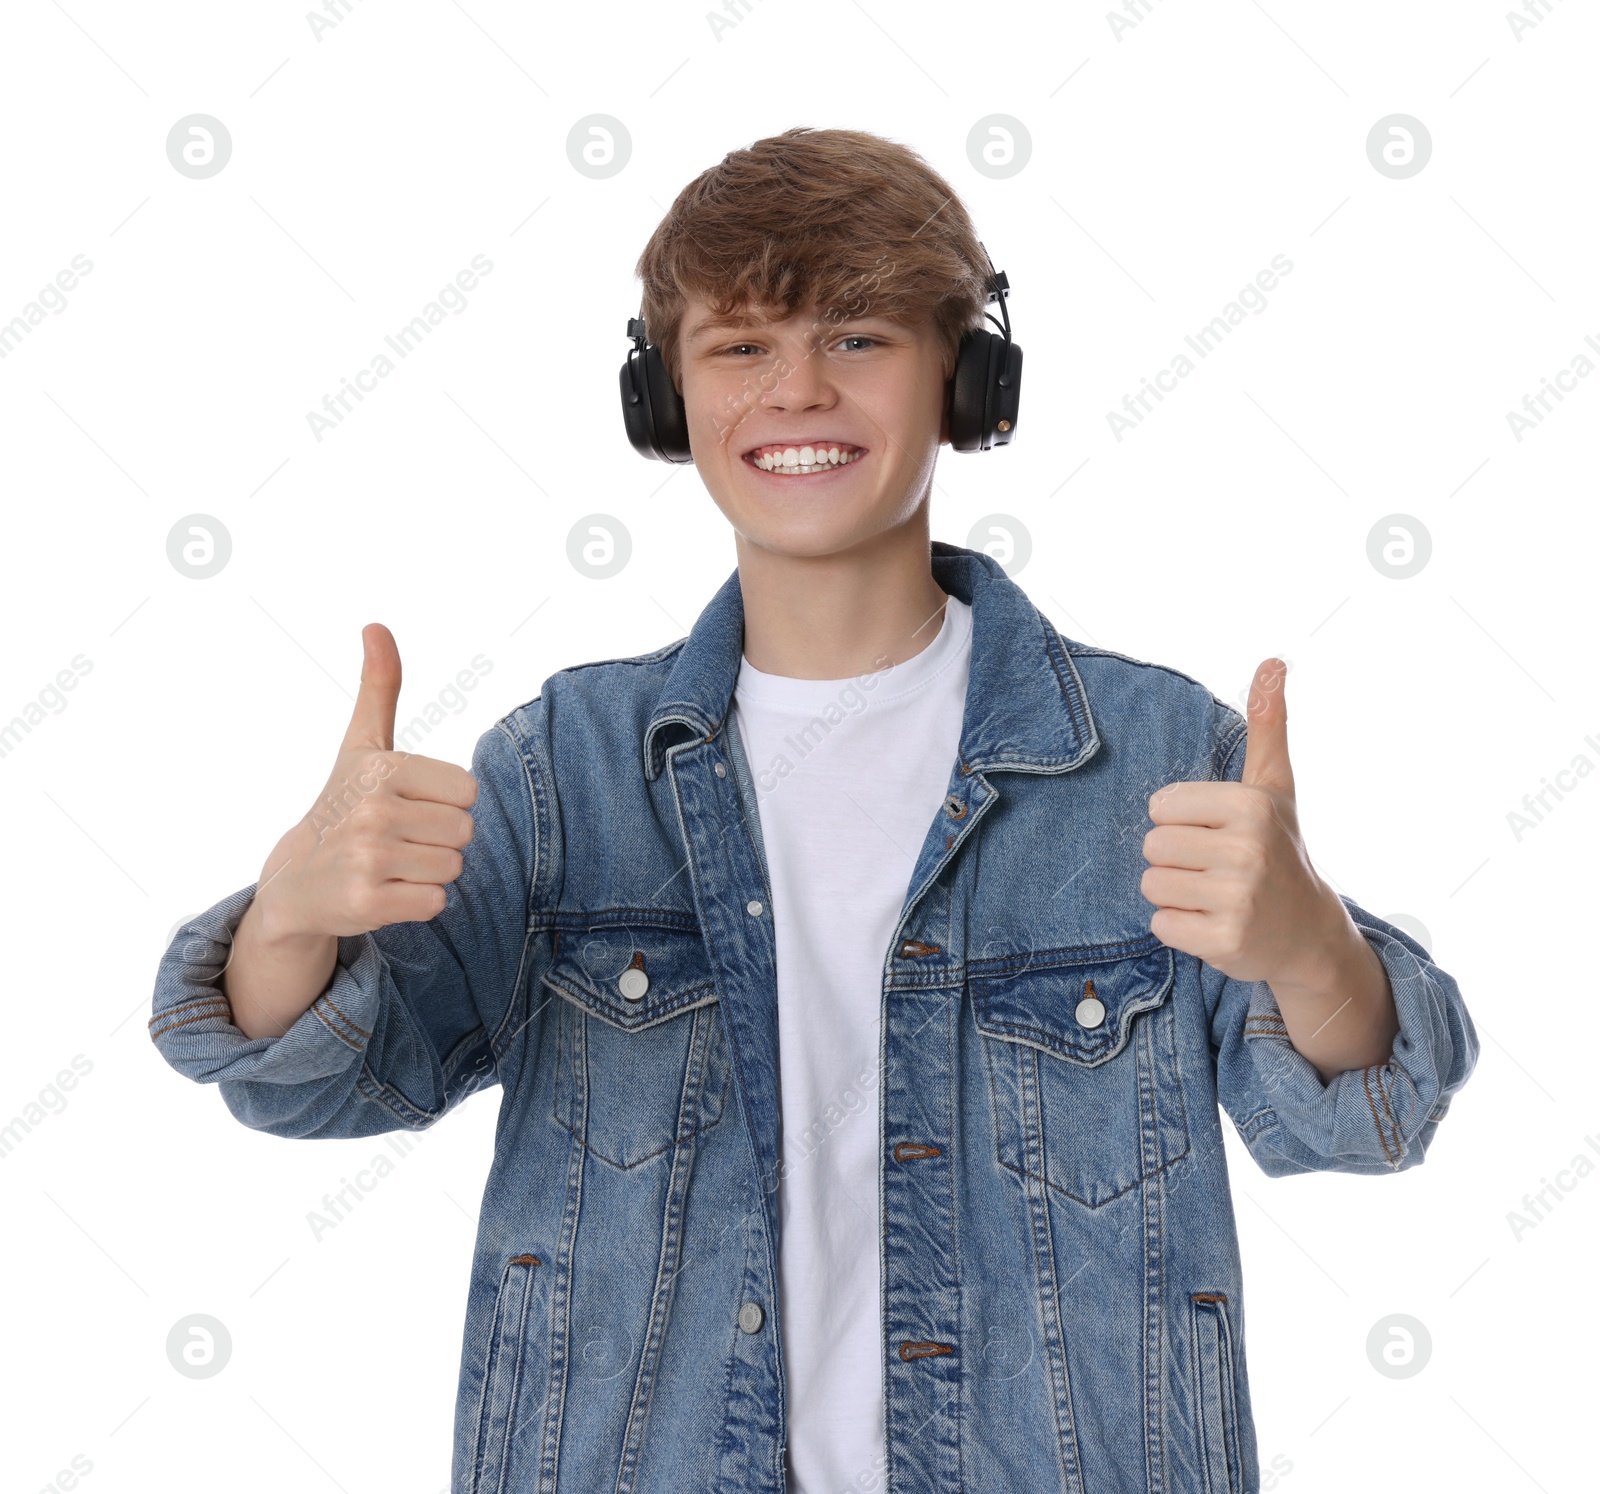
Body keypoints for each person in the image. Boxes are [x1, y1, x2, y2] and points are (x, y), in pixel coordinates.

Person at [150, 126, 1479, 1493]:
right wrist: (294, 912)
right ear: (664, 401)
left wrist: (1311, 943)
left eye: (855, 338)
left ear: (967, 378)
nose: (796, 390)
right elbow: (321, 1079)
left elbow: (1367, 1116)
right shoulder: (567, 767)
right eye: (739, 347)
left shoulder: (1148, 755)